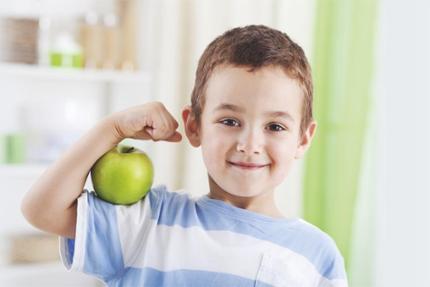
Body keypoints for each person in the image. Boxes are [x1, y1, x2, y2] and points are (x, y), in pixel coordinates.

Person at [21, 25, 348, 286]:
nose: (250, 143)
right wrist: (112, 130)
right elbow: (41, 209)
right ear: (194, 127)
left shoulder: (317, 256)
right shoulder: (148, 222)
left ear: (303, 139)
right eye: (230, 121)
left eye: (275, 126)